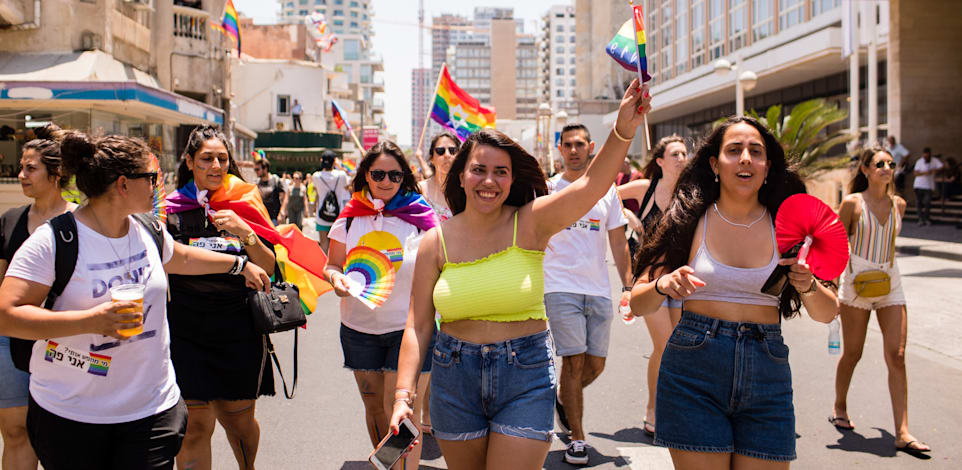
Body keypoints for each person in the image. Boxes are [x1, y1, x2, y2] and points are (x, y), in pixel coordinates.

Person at [388, 79, 651, 469]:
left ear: (513, 180)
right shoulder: (434, 242)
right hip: (453, 377)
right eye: (478, 170)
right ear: (461, 176)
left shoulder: (531, 222)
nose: (489, 181)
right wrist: (403, 397)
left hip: (524, 375)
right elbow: (418, 326)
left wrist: (623, 127)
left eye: (501, 172)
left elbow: (593, 185)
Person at [0, 131, 269, 470]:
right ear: (123, 184)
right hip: (73, 413)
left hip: (151, 409)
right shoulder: (54, 241)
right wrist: (91, 321)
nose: (158, 186)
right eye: (151, 178)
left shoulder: (147, 229)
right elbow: (6, 315)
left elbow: (181, 258)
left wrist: (239, 265)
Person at [628, 116, 839, 468]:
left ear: (767, 166)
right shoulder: (687, 219)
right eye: (734, 150)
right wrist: (663, 285)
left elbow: (827, 312)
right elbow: (637, 301)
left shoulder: (789, 227)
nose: (745, 158)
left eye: (755, 152)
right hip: (693, 372)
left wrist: (808, 285)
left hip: (767, 373)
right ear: (714, 163)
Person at [164, 126, 280, 470]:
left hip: (239, 329)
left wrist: (246, 233)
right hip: (186, 330)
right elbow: (167, 262)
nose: (216, 165)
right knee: (195, 428)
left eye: (222, 158)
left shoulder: (246, 202)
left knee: (239, 424)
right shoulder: (169, 209)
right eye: (206, 158)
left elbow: (269, 268)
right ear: (189, 162)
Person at [324, 140, 439, 470]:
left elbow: (444, 264)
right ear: (366, 175)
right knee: (375, 410)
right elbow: (331, 264)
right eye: (378, 173)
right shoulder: (349, 218)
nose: (386, 181)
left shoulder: (422, 216)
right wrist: (336, 280)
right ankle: (387, 465)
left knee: (402, 412)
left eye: (394, 174)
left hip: (411, 332)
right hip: (359, 330)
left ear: (404, 177)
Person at [831, 146, 931, 456]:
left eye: (890, 163)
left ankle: (902, 431)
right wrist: (830, 283)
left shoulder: (899, 204)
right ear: (865, 170)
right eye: (879, 163)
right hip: (856, 287)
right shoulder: (852, 204)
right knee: (853, 353)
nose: (886, 168)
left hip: (891, 285)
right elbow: (833, 242)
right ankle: (840, 405)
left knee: (897, 354)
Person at [544, 123, 632, 465]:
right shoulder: (548, 188)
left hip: (597, 289)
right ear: (560, 149)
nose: (574, 150)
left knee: (596, 364)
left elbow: (618, 240)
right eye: (568, 145)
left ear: (591, 146)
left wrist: (628, 283)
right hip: (559, 286)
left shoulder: (606, 190)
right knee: (574, 358)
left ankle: (563, 399)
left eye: (580, 144)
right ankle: (577, 439)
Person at [0, 124, 73, 470]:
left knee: (65, 434)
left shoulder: (80, 222)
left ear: (55, 174)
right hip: (10, 343)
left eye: (31, 168)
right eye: (21, 167)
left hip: (68, 343)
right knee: (15, 433)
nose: (22, 174)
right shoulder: (11, 220)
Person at [616, 135, 688, 437]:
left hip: (681, 281)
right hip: (648, 280)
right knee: (664, 346)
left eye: (685, 153)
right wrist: (626, 213)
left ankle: (672, 408)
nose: (682, 158)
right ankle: (653, 410)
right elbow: (606, 194)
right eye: (675, 153)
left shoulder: (690, 193)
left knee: (679, 348)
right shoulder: (645, 189)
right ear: (660, 161)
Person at [312, 150, 351, 253]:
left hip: (322, 215)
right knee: (337, 247)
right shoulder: (341, 175)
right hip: (338, 216)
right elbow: (348, 183)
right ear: (334, 162)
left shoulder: (316, 176)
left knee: (324, 244)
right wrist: (339, 165)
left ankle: (323, 268)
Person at [418, 131, 459, 222]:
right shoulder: (420, 189)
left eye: (452, 150)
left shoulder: (467, 190)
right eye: (440, 151)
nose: (447, 155)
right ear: (432, 158)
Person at [912, 147, 943, 226]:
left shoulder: (934, 161)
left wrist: (935, 170)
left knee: (927, 203)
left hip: (928, 186)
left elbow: (941, 167)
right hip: (919, 185)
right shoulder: (919, 161)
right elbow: (915, 173)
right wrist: (925, 173)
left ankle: (926, 218)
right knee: (919, 203)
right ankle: (920, 219)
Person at [254, 159, 285, 224]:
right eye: (255, 170)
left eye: (257, 169)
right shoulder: (257, 182)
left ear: (265, 169)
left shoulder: (275, 180)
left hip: (274, 218)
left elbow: (284, 198)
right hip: (261, 218)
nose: (256, 172)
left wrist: (281, 213)